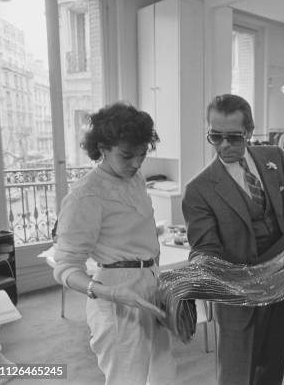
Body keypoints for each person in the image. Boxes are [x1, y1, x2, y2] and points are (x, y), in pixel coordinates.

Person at [52, 102, 176, 385]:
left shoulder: (135, 179)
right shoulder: (86, 196)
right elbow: (65, 268)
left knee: (163, 373)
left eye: (143, 154)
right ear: (103, 148)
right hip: (116, 293)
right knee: (126, 377)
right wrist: (110, 293)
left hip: (151, 285)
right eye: (126, 155)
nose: (136, 163)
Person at [182, 94, 284, 385]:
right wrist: (202, 270)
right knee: (237, 373)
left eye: (233, 137)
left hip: (279, 283)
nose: (223, 145)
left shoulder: (274, 157)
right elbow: (204, 248)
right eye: (215, 136)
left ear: (249, 131)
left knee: (272, 366)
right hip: (238, 295)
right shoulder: (199, 190)